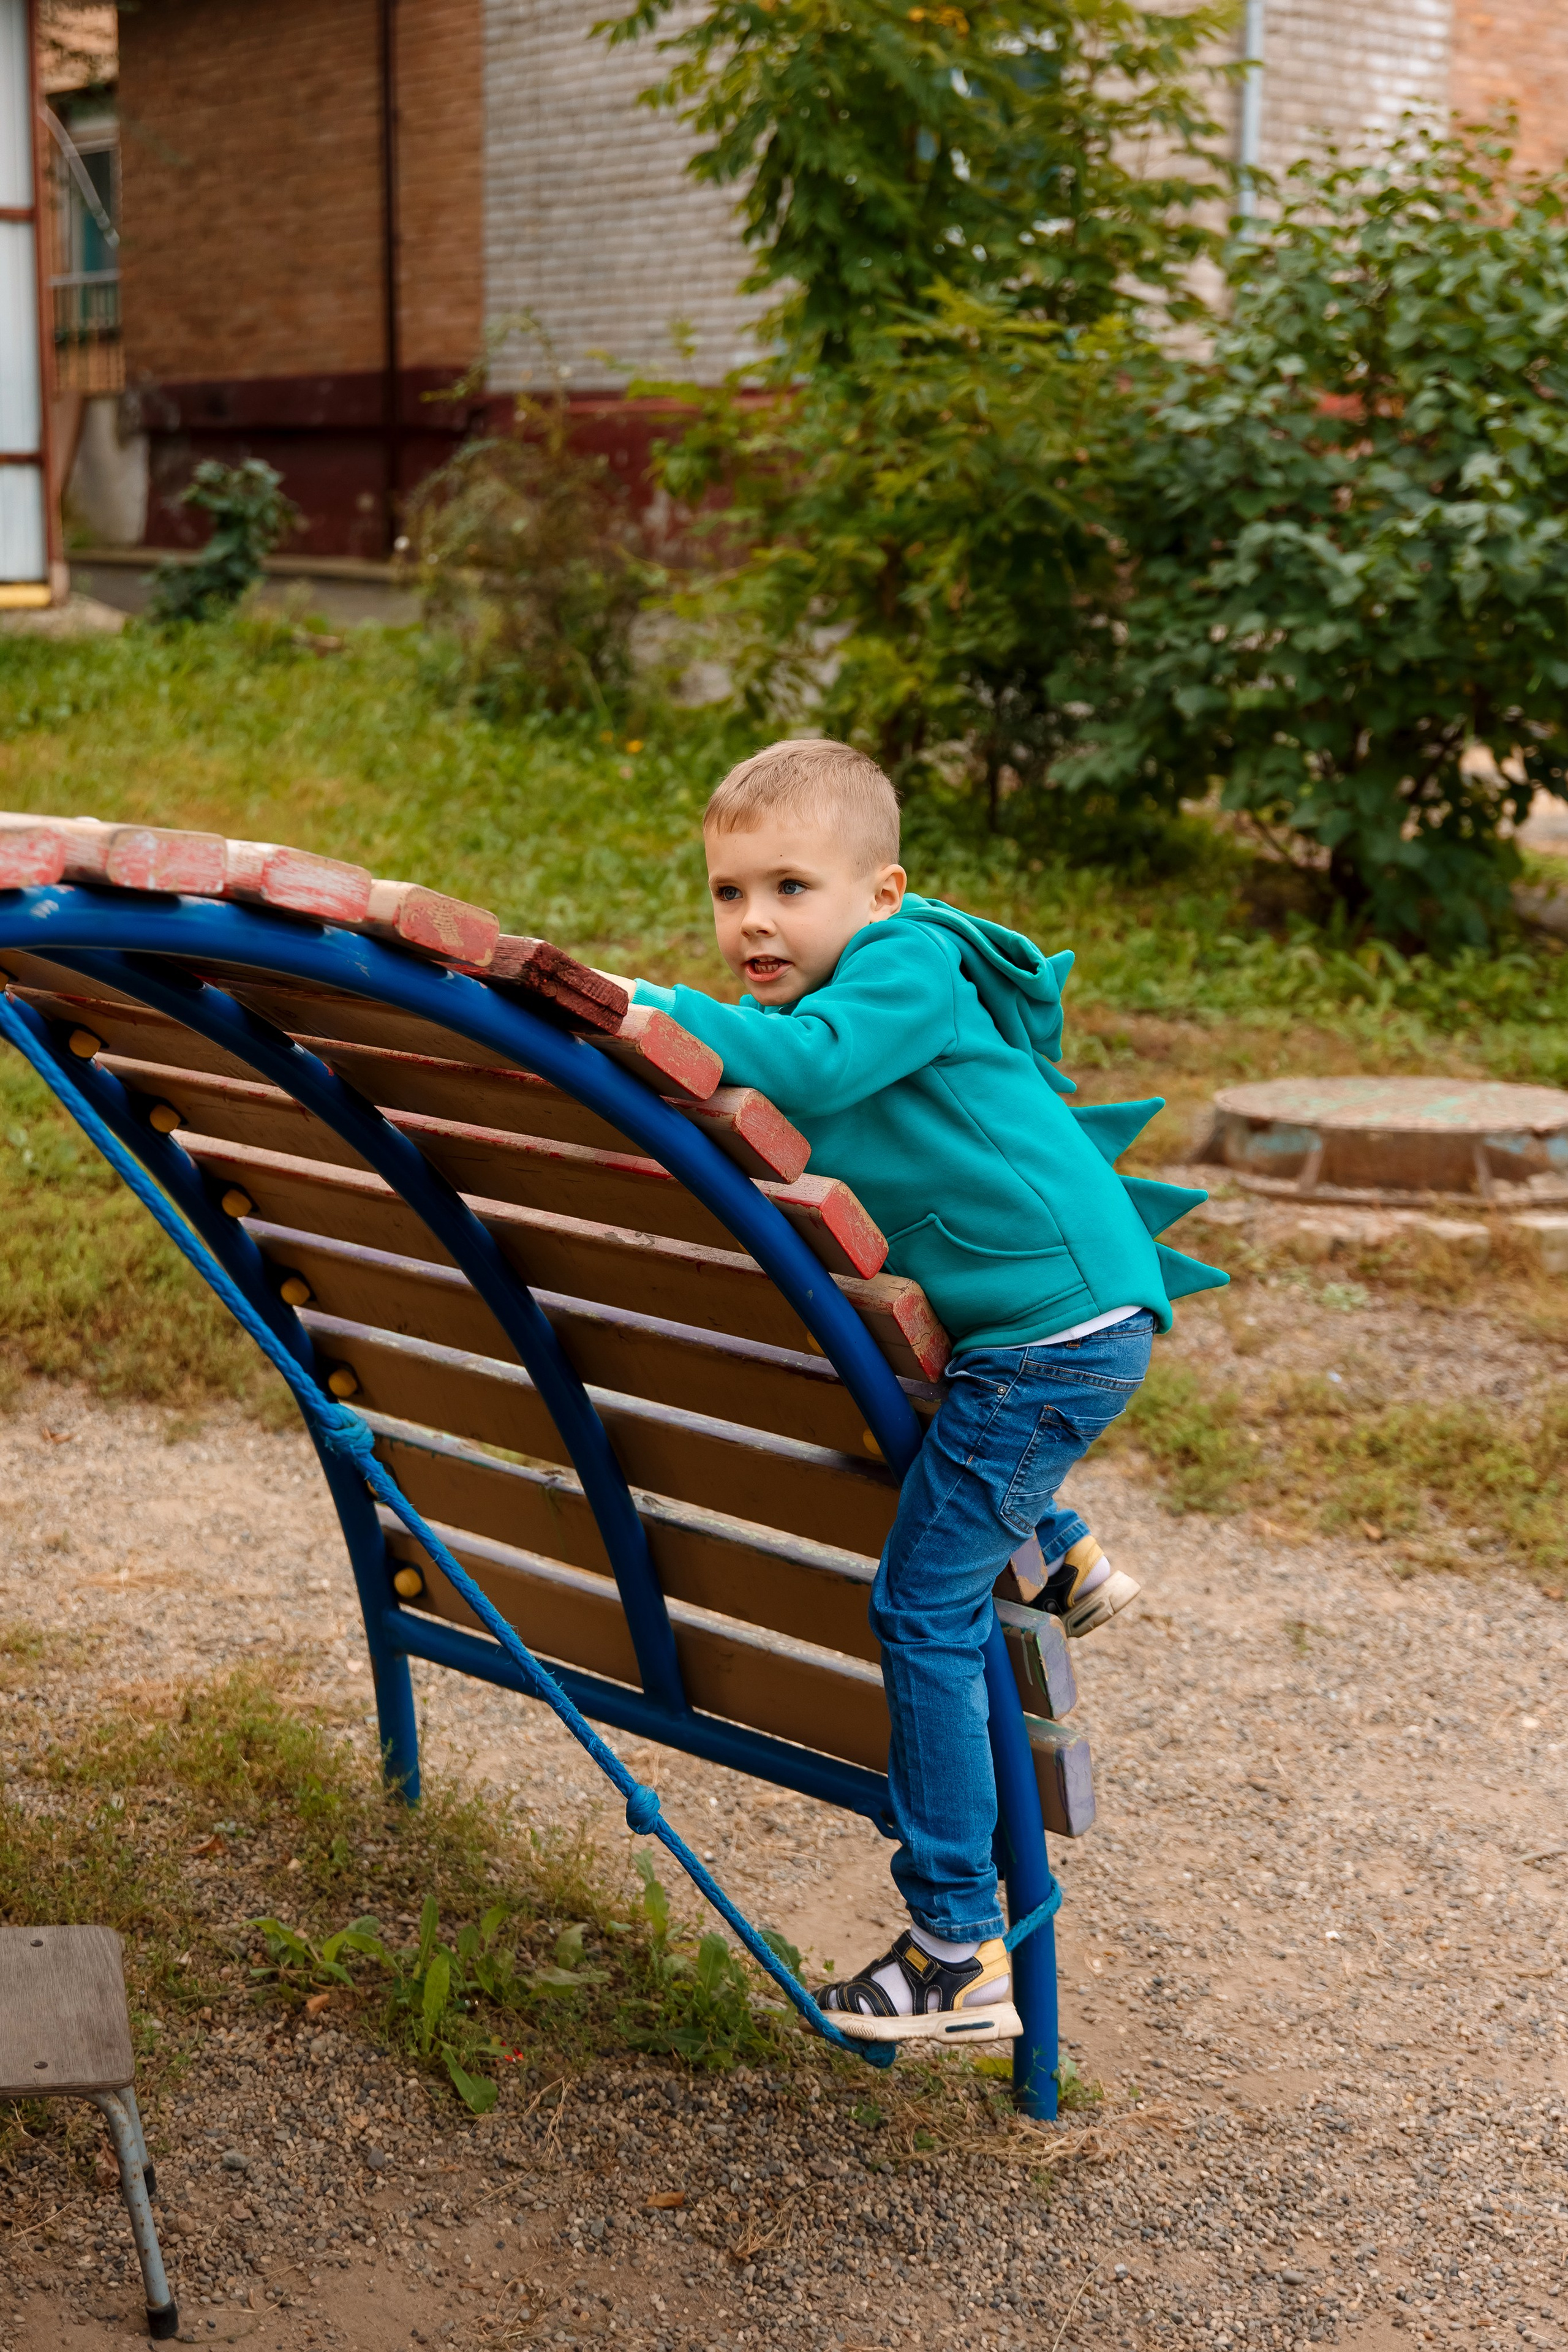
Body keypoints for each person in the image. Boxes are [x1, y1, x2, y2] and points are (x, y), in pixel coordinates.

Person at [613, 739, 1225, 2043]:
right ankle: (1057, 1547)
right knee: (916, 1423)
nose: (752, 922)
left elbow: (819, 1071)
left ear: (878, 893)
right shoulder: (831, 1001)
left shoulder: (904, 967)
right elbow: (800, 1069)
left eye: (789, 887)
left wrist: (641, 1011)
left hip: (1050, 1340)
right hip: (1030, 1333)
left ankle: (956, 1949)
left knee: (918, 1608)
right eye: (729, 894)